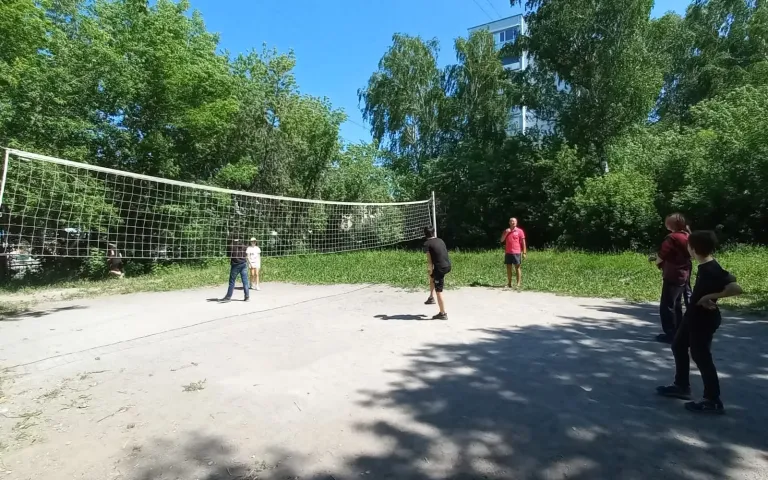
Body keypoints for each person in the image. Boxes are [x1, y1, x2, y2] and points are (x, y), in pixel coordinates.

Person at [656, 230, 742, 414]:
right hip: (693, 316)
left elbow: (736, 288)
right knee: (678, 346)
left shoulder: (711, 268)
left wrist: (710, 296)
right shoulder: (704, 266)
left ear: (692, 248)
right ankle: (681, 386)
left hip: (704, 319)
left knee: (701, 357)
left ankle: (712, 400)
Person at [654, 213, 692, 343]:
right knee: (676, 304)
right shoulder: (687, 236)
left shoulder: (672, 238)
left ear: (671, 224)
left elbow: (662, 254)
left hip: (673, 274)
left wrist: (657, 262)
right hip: (684, 273)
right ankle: (678, 332)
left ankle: (670, 334)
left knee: (667, 305)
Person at [423, 226, 451, 320]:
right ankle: (431, 297)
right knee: (432, 276)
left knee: (438, 291)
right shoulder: (440, 240)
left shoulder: (427, 244)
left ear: (425, 234)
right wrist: (432, 273)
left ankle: (443, 313)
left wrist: (430, 270)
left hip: (440, 268)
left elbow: (429, 261)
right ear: (434, 232)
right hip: (447, 265)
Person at [220, 235, 250, 302]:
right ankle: (247, 297)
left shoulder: (231, 246)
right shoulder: (244, 246)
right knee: (245, 281)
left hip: (235, 265)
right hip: (243, 264)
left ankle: (228, 297)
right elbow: (246, 253)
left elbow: (228, 255)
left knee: (232, 282)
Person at [500, 217, 527, 288]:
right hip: (508, 252)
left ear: (516, 222)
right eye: (511, 221)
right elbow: (502, 240)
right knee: (508, 268)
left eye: (514, 221)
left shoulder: (520, 231)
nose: (513, 222)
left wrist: (524, 252)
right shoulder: (506, 231)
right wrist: (506, 233)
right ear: (509, 223)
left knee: (517, 268)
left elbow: (523, 242)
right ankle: (509, 283)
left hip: (517, 252)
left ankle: (518, 284)